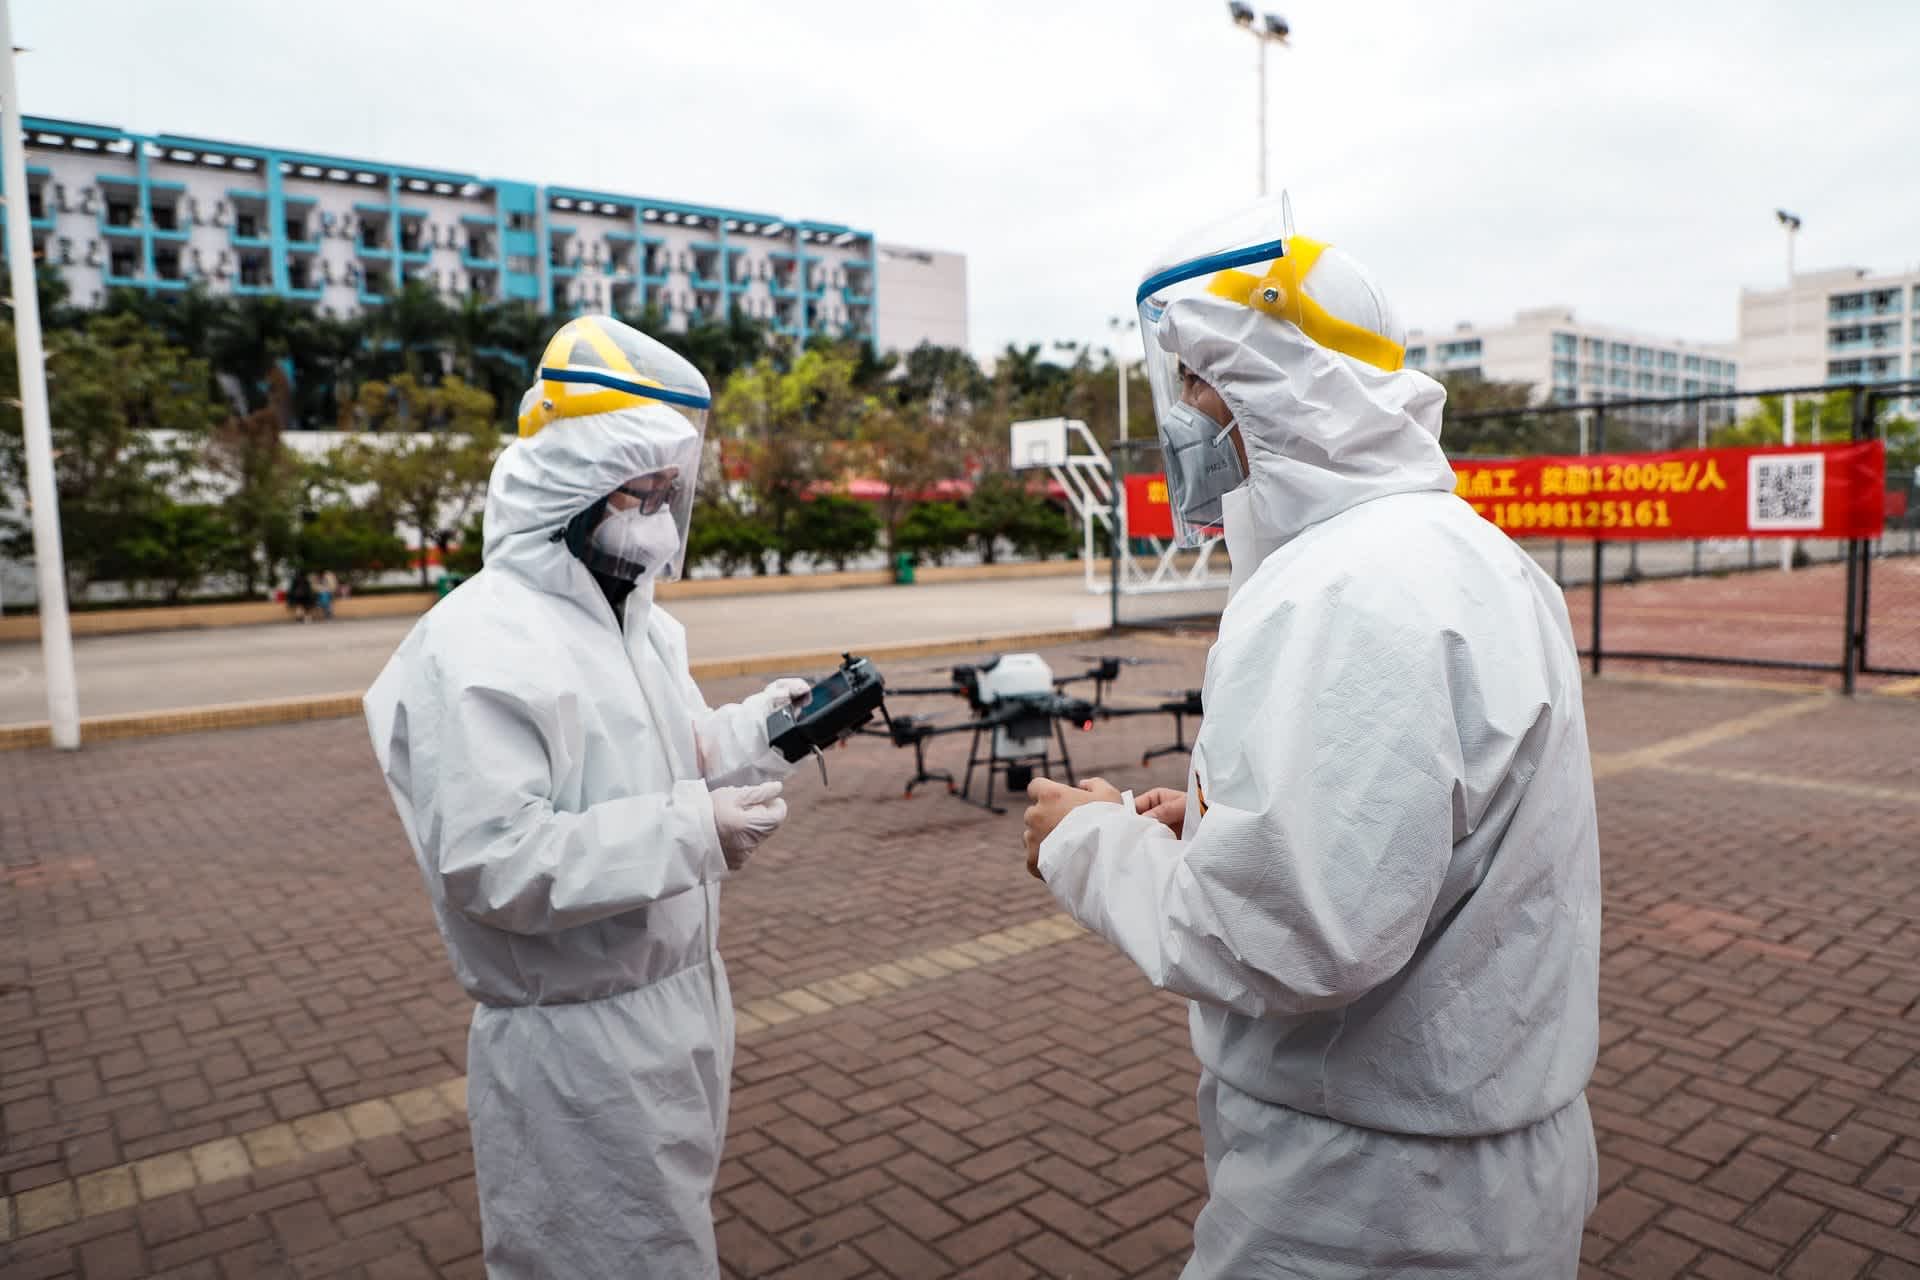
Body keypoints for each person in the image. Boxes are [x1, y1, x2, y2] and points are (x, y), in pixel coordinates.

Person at [1022, 199, 1601, 1279]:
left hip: (1368, 1199)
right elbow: (1413, 835)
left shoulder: (1344, 588)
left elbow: (1293, 935)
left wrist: (1088, 841)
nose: (1187, 416)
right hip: (1460, 1165)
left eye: (1198, 384)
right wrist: (1216, 825)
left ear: (1273, 380)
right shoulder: (1469, 556)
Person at [362, 315, 812, 1279]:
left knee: (669, 1244)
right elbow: (494, 861)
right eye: (637, 494)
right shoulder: (480, 642)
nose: (656, 519)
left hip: (682, 1003)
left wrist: (760, 732)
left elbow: (666, 751)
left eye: (667, 493)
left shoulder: (639, 624)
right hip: (575, 1042)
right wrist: (691, 830)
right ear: (567, 484)